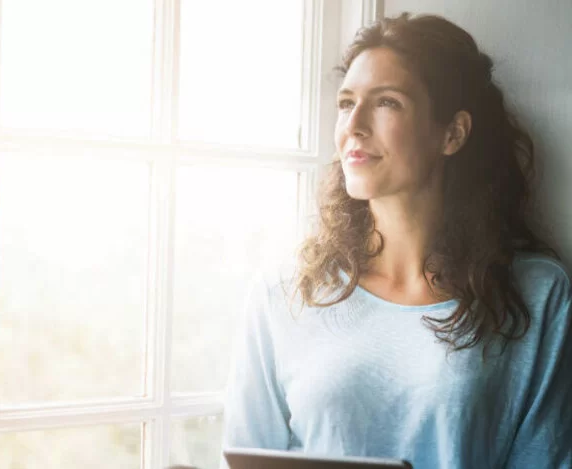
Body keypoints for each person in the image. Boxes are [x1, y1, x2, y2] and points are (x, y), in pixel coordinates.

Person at [221, 13, 572, 469]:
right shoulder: (283, 292)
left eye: (386, 102)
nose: (354, 126)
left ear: (452, 133)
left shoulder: (536, 294)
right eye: (347, 104)